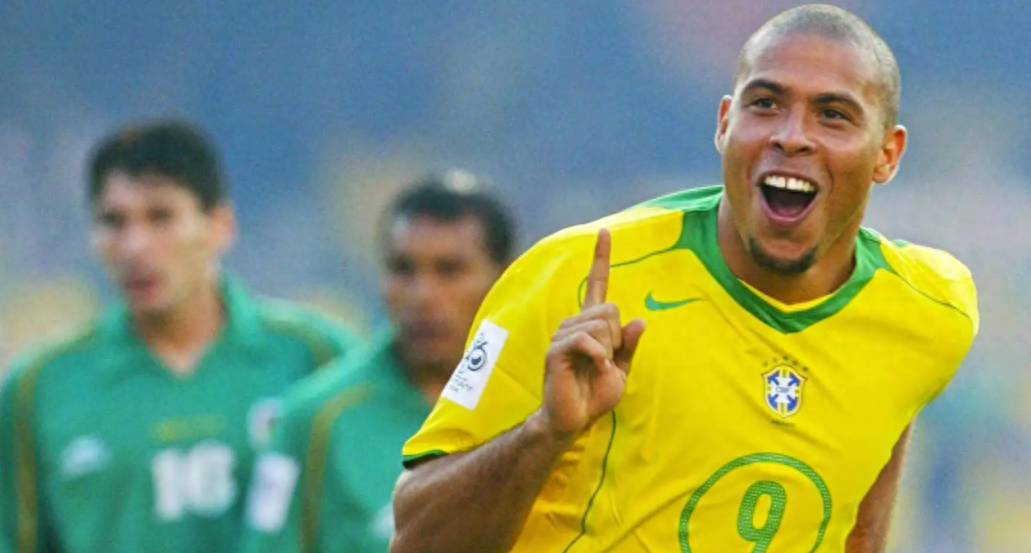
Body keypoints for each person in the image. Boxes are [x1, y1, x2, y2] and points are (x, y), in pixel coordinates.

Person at [391, 5, 978, 553]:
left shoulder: (930, 310)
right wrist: (544, 431)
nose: (792, 135)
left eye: (833, 114)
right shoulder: (576, 277)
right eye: (765, 104)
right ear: (725, 123)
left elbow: (862, 509)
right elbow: (416, 538)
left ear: (887, 154)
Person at [0, 120, 360, 553]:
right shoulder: (37, 390)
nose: (135, 246)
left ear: (220, 225)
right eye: (113, 222)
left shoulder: (315, 356)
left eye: (161, 217)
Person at [241, 172, 517, 553]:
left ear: (507, 278)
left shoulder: (545, 404)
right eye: (403, 269)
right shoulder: (315, 421)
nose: (422, 295)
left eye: (449, 270)